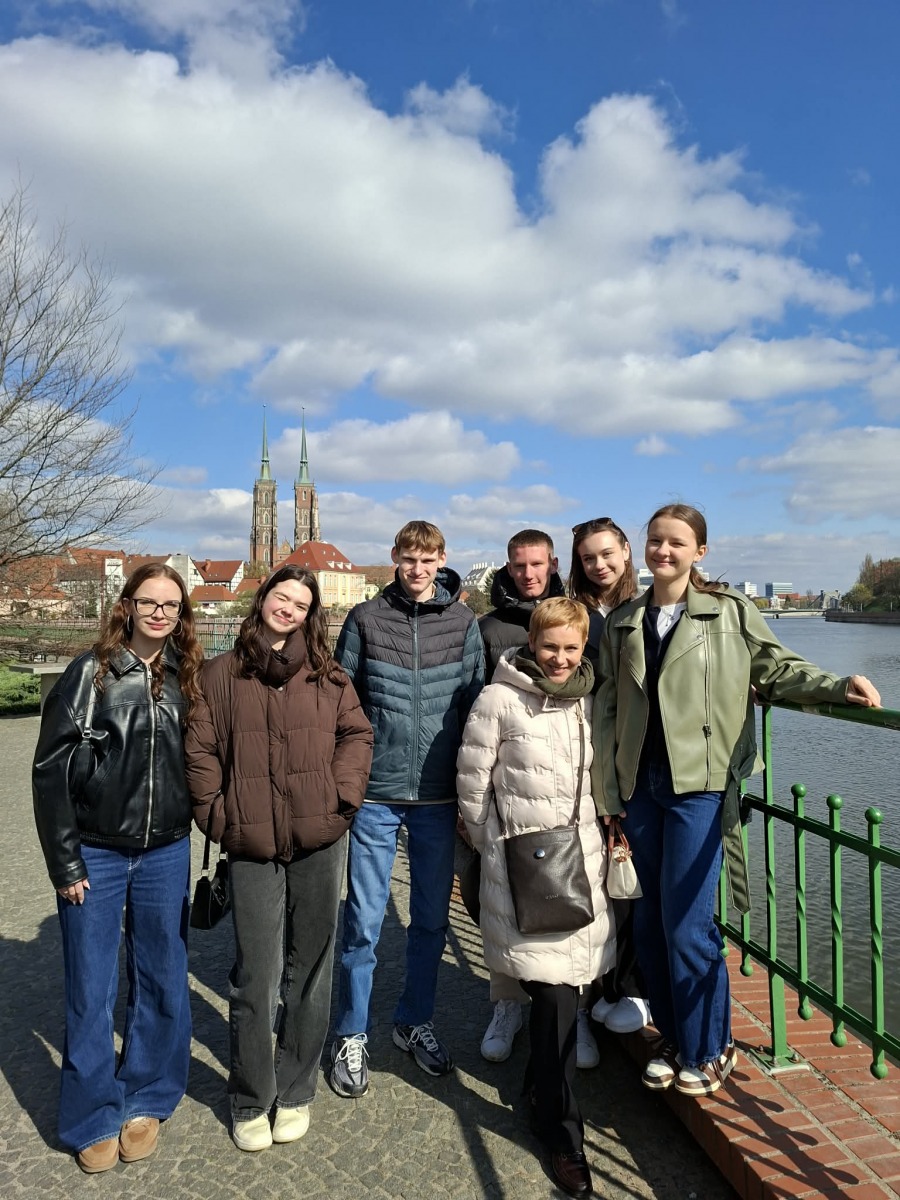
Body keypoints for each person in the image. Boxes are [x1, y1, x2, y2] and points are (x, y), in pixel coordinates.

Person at [592, 503, 882, 1097]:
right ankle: (675, 1038)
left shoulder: (727, 613)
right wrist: (609, 791)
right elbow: (606, 709)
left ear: (699, 551)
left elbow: (777, 669)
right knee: (649, 924)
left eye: (676, 542)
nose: (662, 551)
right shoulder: (624, 620)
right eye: (655, 541)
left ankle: (712, 1046)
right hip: (639, 787)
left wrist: (837, 686)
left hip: (699, 785)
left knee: (687, 926)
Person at [184, 566, 373, 1151]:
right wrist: (220, 817)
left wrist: (341, 799)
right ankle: (250, 1096)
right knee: (257, 975)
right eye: (280, 596)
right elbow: (200, 750)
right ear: (263, 598)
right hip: (250, 843)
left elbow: (357, 736)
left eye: (300, 603)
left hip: (319, 837)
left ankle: (295, 1090)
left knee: (311, 971)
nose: (287, 608)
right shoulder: (219, 674)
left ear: (310, 615)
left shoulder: (328, 675)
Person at [32, 564, 203, 1173]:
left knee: (162, 976)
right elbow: (49, 771)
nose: (160, 613)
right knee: (91, 986)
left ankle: (148, 1095)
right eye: (149, 602)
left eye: (171, 605)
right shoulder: (90, 673)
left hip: (166, 850)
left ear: (181, 615)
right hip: (97, 851)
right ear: (126, 605)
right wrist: (64, 860)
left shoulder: (188, 677)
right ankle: (91, 1114)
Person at [457, 598, 614, 1199]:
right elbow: (473, 782)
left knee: (561, 996)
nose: (560, 658)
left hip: (582, 863)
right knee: (552, 994)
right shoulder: (498, 699)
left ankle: (540, 1090)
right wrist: (491, 847)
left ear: (583, 647)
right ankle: (562, 1134)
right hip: (521, 865)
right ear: (531, 642)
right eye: (550, 646)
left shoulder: (591, 699)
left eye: (571, 648)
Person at [328, 521, 484, 1098]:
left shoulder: (462, 623)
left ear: (442, 559)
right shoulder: (366, 619)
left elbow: (476, 706)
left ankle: (414, 1021)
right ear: (395, 557)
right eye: (409, 558)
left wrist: (472, 791)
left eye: (428, 559)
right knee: (364, 922)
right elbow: (340, 699)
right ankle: (351, 1032)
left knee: (431, 921)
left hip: (438, 797)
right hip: (377, 795)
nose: (418, 569)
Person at [476, 530, 569, 1064]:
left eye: (537, 564)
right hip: (508, 786)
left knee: (568, 895)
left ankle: (572, 1012)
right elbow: (473, 706)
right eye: (519, 565)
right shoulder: (490, 628)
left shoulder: (574, 617)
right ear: (508, 568)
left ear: (552, 563)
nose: (528, 573)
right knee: (503, 899)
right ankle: (507, 1003)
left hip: (566, 788)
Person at [568, 518, 651, 1038]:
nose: (599, 565)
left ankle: (636, 990)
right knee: (600, 881)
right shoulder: (578, 612)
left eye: (606, 554)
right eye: (588, 558)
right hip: (588, 761)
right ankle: (604, 988)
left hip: (637, 760)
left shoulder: (648, 606)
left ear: (625, 551)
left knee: (632, 880)